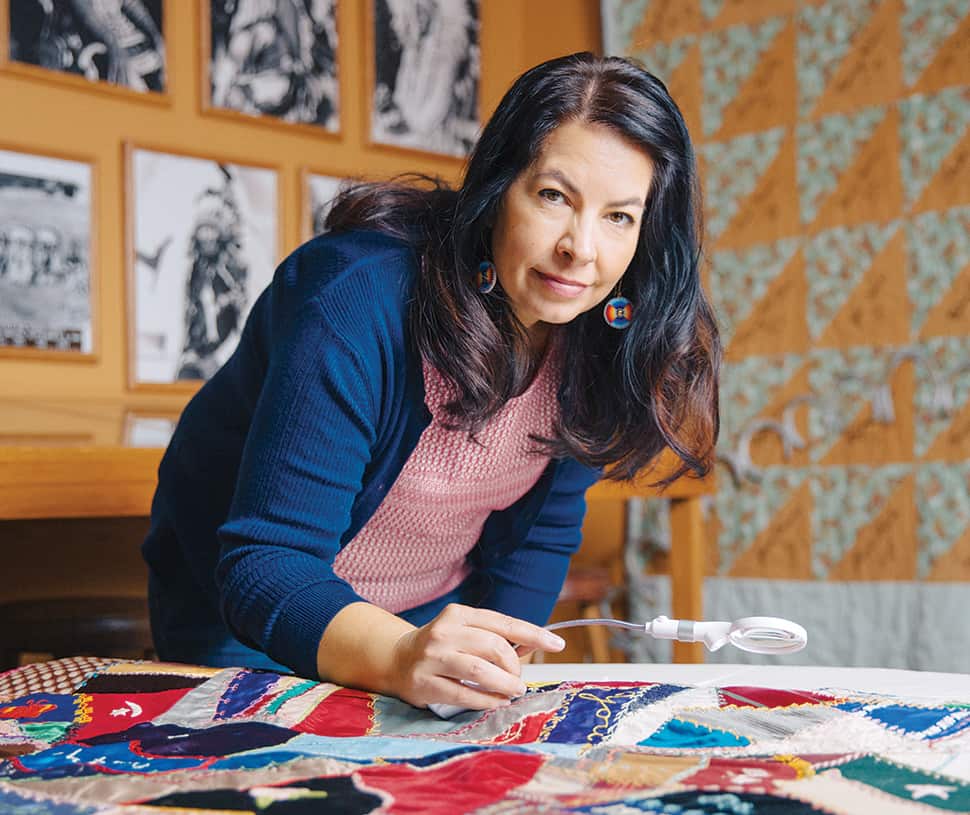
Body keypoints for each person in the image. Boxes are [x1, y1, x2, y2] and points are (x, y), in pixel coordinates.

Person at [143, 52, 721, 712]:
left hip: (428, 620)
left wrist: (491, 677)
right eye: (554, 196)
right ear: (498, 187)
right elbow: (265, 564)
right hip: (255, 621)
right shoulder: (356, 300)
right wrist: (396, 656)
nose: (581, 249)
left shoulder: (599, 338)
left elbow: (538, 534)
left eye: (619, 216)